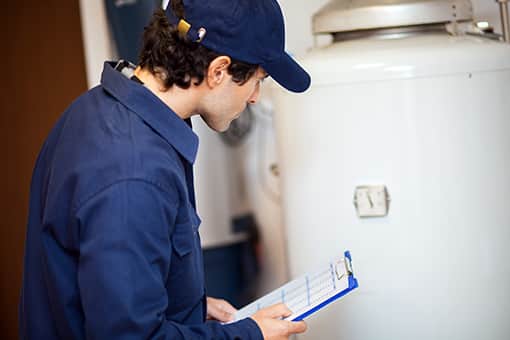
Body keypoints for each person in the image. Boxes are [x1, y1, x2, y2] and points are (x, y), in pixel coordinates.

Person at [19, 0, 311, 339]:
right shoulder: (134, 173)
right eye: (257, 80)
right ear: (218, 71)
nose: (255, 98)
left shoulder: (97, 109)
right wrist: (249, 335)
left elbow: (107, 287)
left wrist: (190, 306)